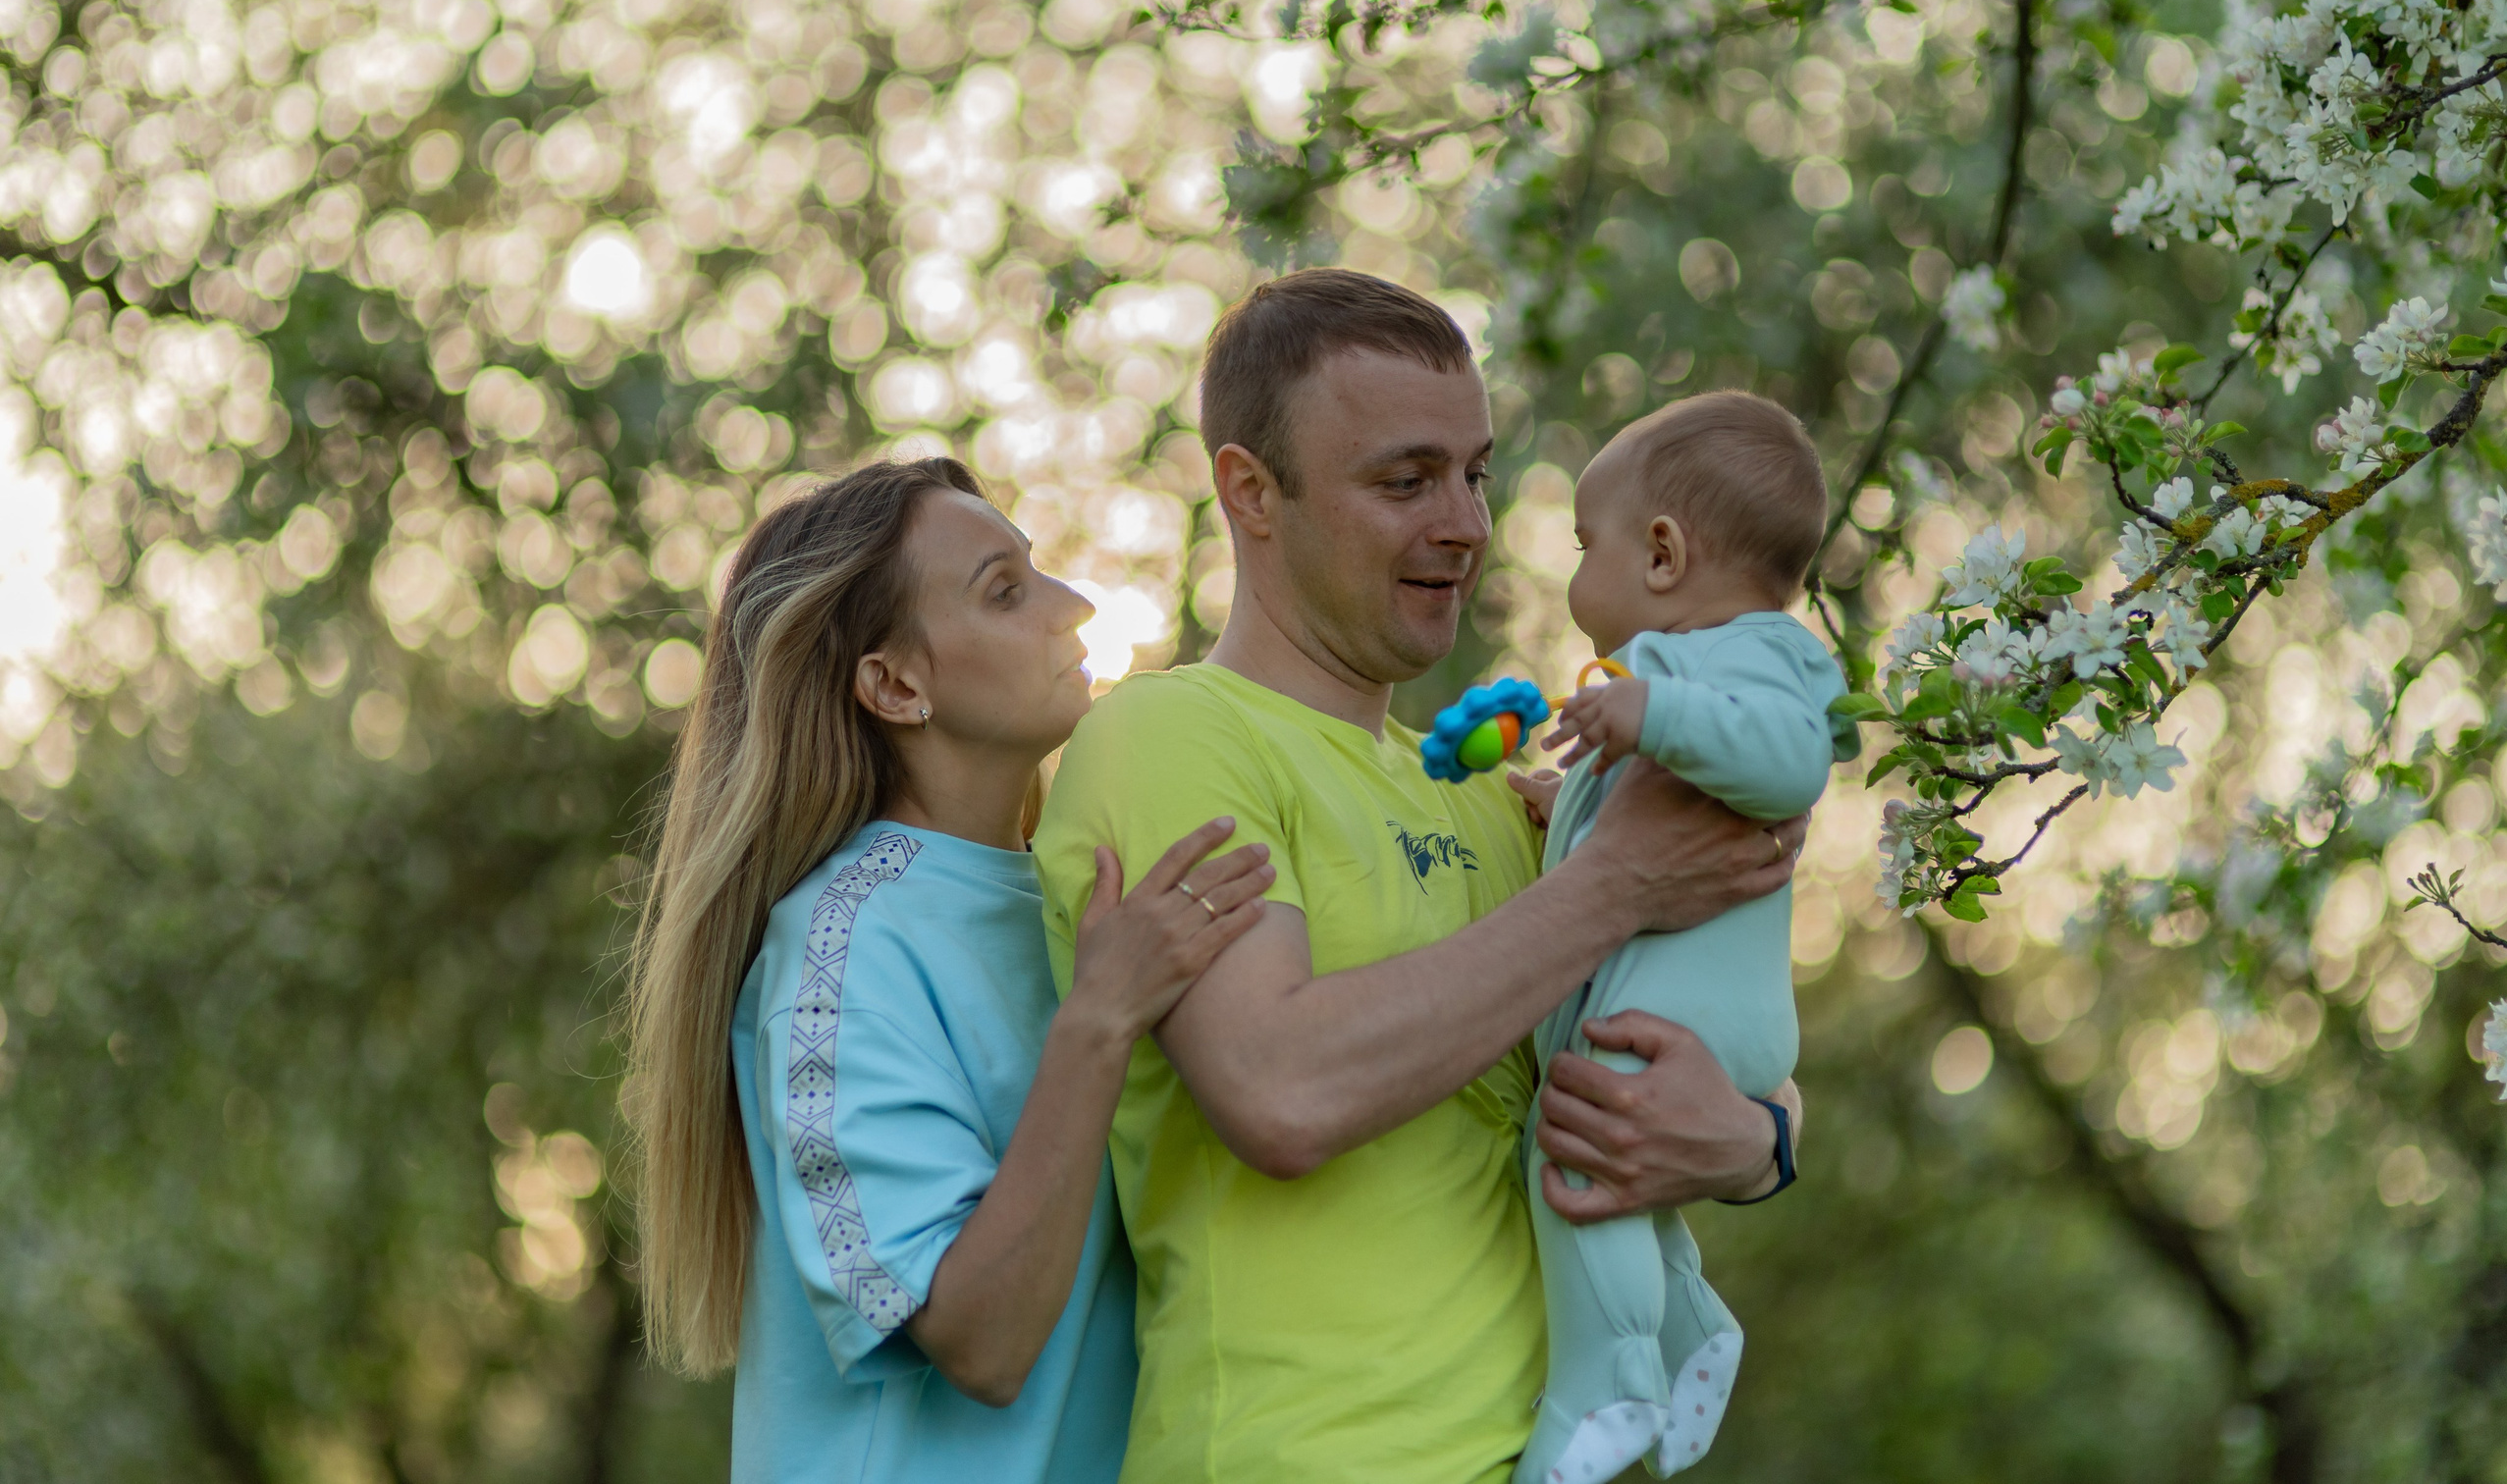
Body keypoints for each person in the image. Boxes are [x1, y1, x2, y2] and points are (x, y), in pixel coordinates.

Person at [1032, 269, 1813, 1484]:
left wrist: (1753, 1140)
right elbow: (1277, 1089)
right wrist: (1615, 882)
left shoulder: (1495, 802)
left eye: (1476, 472)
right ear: (1251, 492)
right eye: (1405, 480)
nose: (1463, 522)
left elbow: (1689, 1044)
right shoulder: (1168, 736)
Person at [623, 457, 1278, 1484]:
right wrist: (1100, 1017)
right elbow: (982, 1340)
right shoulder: (841, 949)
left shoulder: (1077, 890)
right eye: (1004, 590)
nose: (1077, 604)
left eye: (1039, 571)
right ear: (894, 683)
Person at [1509, 392, 1856, 1484]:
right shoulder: (1696, 672)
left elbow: (1789, 758)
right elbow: (1635, 848)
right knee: (1626, 1186)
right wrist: (1557, 810)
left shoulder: (1754, 656)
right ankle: (1690, 1328)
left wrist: (1647, 712)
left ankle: (1600, 1386)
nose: (1575, 575)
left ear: (1662, 553)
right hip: (1688, 1011)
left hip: (1693, 1017)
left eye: (1582, 544)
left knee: (1579, 1162)